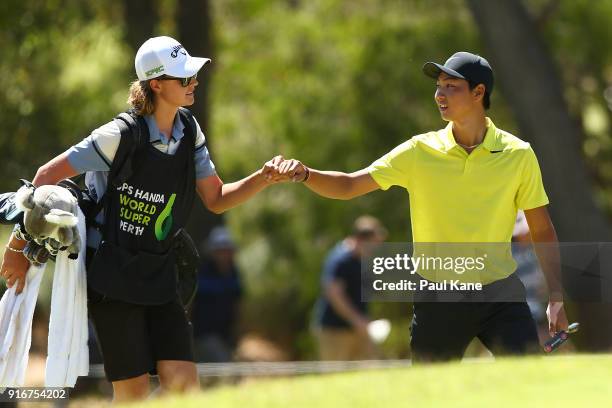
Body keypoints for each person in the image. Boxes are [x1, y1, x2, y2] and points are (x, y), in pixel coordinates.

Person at [0, 36, 286, 401]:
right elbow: (44, 178)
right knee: (132, 394)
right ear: (156, 84)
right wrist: (19, 244)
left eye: (192, 75)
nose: (193, 82)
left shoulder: (189, 131)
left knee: (183, 385)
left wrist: (264, 177)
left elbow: (215, 198)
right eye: (183, 78)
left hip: (161, 274)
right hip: (113, 279)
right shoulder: (116, 136)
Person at [274, 51, 569, 362]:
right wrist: (305, 174)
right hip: (438, 298)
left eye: (450, 87)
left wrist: (556, 297)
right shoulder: (419, 151)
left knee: (525, 384)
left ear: (479, 92)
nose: (439, 95)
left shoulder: (518, 154)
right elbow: (349, 185)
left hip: (500, 295)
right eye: (438, 87)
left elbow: (541, 228)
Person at [312, 216, 386, 360]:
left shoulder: (363, 259)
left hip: (359, 329)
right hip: (334, 330)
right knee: (335, 377)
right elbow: (334, 294)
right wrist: (357, 320)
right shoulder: (341, 259)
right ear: (361, 240)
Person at [192, 226, 243, 363]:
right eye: (220, 251)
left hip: (226, 335)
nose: (224, 254)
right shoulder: (203, 273)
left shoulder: (234, 273)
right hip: (204, 334)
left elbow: (237, 302)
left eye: (227, 250)